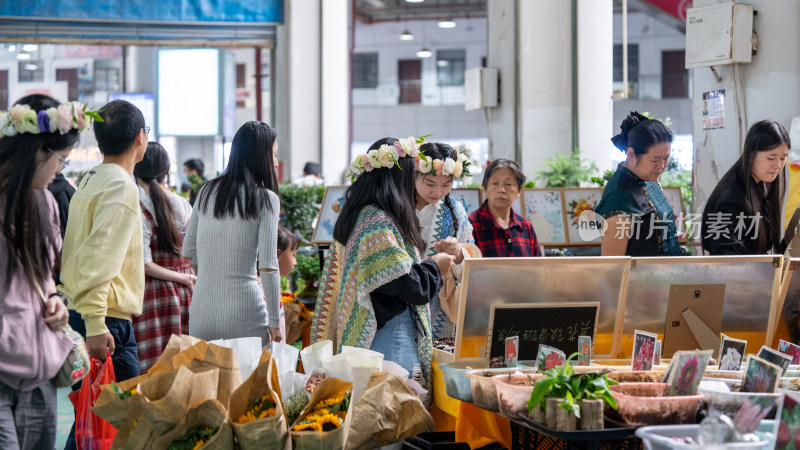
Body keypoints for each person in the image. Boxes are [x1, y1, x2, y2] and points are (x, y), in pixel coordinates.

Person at [311, 137, 454, 385]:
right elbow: (405, 285)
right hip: (389, 338)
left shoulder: (360, 214)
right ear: (397, 179)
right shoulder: (378, 222)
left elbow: (391, 274)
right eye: (411, 176)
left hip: (375, 339)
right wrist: (436, 267)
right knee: (394, 410)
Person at [61, 99, 148, 449]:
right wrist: (96, 326)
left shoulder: (91, 177)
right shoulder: (122, 187)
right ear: (141, 138)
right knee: (114, 425)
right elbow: (100, 260)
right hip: (104, 322)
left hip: (85, 314)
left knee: (91, 424)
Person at [0, 95, 83, 449]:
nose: (60, 170)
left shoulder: (46, 202)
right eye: (61, 159)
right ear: (38, 152)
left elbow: (45, 279)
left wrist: (54, 301)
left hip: (40, 373)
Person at [183, 121, 282, 347]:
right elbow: (268, 266)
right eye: (274, 155)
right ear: (260, 156)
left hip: (201, 311)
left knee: (208, 380)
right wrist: (275, 321)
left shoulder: (206, 190)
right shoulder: (267, 199)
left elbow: (188, 250)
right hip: (245, 312)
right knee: (247, 381)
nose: (276, 163)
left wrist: (212, 274)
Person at [133, 142, 195, 373]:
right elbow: (192, 253)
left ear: (135, 172)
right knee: (185, 369)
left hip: (153, 297)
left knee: (154, 373)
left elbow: (146, 264)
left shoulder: (139, 208)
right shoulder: (184, 204)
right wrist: (186, 277)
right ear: (166, 172)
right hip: (186, 293)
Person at [595, 111, 682, 256]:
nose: (662, 165)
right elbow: (613, 264)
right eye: (655, 160)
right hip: (642, 278)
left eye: (666, 158)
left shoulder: (648, 177)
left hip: (666, 275)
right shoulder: (620, 197)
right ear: (631, 155)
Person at [414, 141, 476, 339]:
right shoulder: (398, 207)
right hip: (400, 298)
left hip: (438, 303)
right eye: (430, 184)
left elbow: (471, 260)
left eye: (446, 185)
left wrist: (457, 252)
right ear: (414, 174)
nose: (437, 192)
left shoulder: (455, 210)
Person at [702, 120, 790, 255]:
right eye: (771, 158)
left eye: (783, 158)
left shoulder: (757, 186)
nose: (778, 165)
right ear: (751, 155)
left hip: (754, 273)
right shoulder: (732, 198)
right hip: (737, 275)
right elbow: (724, 258)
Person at [469, 158, 542, 257]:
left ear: (519, 191)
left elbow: (538, 268)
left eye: (508, 184)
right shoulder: (470, 226)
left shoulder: (526, 227)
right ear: (484, 189)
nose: (501, 190)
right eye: (495, 183)